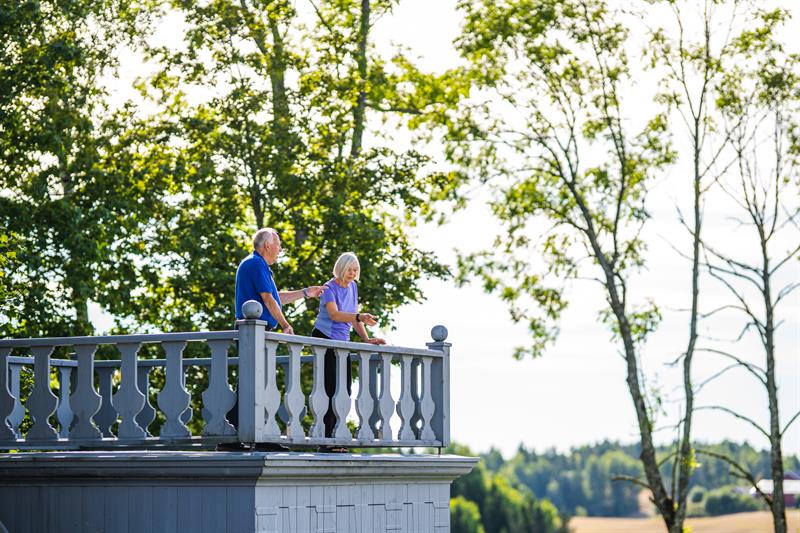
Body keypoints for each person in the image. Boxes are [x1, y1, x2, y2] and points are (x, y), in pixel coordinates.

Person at [311, 252, 385, 450]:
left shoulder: (353, 287)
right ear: (341, 268)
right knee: (329, 389)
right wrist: (359, 317)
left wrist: (366, 338)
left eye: (355, 270)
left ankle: (338, 437)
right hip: (324, 338)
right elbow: (335, 315)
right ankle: (327, 441)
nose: (353, 273)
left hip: (343, 342)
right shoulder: (328, 288)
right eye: (350, 269)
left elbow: (353, 317)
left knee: (345, 389)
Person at [234, 228, 326, 332]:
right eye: (278, 245)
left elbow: (274, 299)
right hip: (253, 329)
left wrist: (305, 292)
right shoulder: (256, 263)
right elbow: (268, 299)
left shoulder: (255, 262)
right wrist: (285, 325)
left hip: (255, 328)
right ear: (267, 245)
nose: (281, 250)